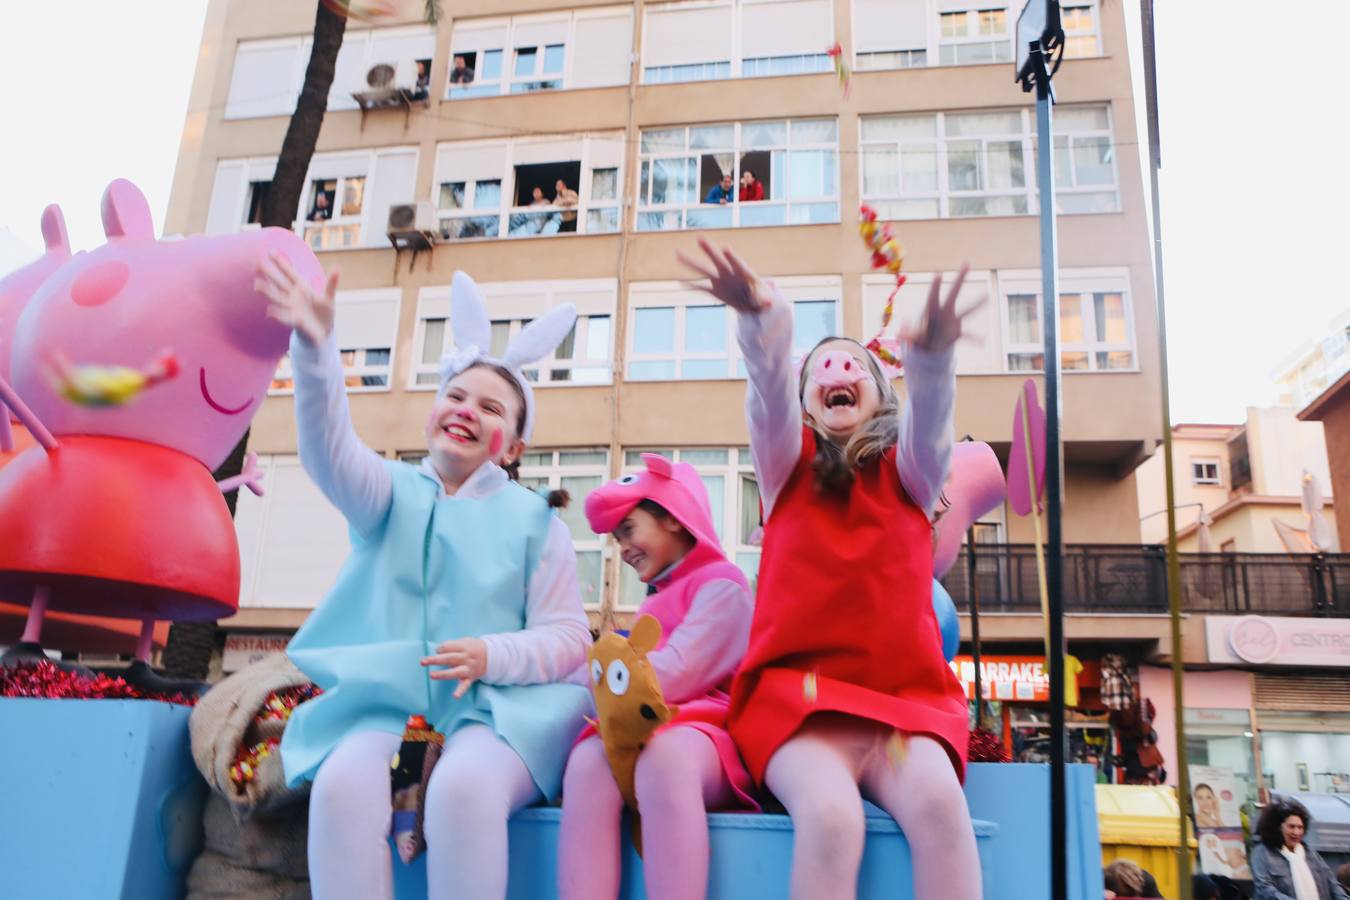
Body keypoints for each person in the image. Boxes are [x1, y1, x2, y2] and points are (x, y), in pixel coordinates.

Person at [257, 261, 592, 900]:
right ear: (431, 414)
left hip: (497, 715)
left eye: (492, 407)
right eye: (456, 396)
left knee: (465, 791)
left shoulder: (534, 520)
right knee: (343, 788)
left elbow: (569, 635)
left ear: (514, 447)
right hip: (398, 715)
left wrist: (495, 654)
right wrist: (316, 349)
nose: (467, 410)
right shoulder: (387, 493)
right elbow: (329, 451)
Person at [678, 238, 986, 900]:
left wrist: (931, 356)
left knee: (941, 811)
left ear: (881, 395)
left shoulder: (910, 473)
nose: (837, 368)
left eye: (856, 366)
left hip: (904, 708)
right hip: (801, 704)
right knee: (831, 818)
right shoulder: (785, 465)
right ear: (808, 398)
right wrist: (762, 319)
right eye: (820, 367)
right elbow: (766, 393)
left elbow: (933, 423)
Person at [558, 455, 757, 900]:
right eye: (616, 538)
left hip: (710, 736)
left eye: (628, 530)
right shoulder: (656, 602)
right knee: (587, 764)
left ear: (672, 516)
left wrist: (594, 682)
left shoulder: (723, 585)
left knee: (665, 761)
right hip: (644, 730)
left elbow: (678, 673)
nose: (622, 548)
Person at [1251, 798, 1349, 900]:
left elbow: (1331, 882)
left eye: (1300, 827)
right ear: (1278, 827)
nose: (1296, 832)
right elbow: (1264, 889)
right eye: (1291, 827)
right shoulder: (1262, 852)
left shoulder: (1309, 852)